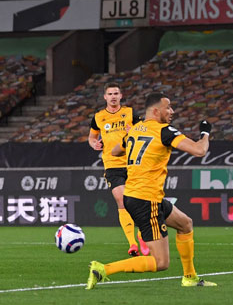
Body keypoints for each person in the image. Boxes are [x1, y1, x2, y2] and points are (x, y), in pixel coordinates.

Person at [86, 92, 216, 289]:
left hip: (139, 194)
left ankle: (190, 276)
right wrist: (205, 133)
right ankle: (103, 269)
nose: (172, 111)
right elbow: (200, 150)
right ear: (156, 111)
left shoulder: (135, 130)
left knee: (185, 224)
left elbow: (114, 151)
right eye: (168, 107)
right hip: (146, 199)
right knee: (161, 262)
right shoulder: (164, 131)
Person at [88, 82, 149, 257]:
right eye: (110, 94)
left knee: (137, 202)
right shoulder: (99, 117)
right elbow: (92, 137)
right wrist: (94, 143)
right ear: (105, 97)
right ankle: (132, 243)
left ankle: (142, 235)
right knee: (122, 200)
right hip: (112, 165)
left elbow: (145, 131)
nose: (113, 96)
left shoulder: (130, 113)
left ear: (121, 96)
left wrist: (136, 130)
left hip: (133, 163)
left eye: (116, 93)